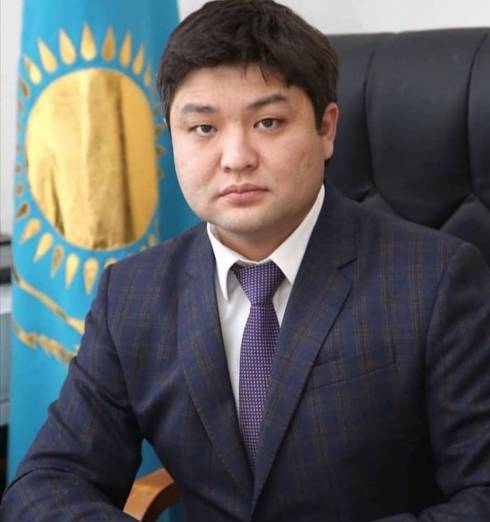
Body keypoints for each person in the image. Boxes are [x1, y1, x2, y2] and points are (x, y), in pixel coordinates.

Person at [2, 1, 490, 520]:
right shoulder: (133, 294)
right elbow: (46, 485)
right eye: (203, 129)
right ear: (171, 135)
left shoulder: (436, 279)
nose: (236, 158)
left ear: (326, 129)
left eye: (268, 122)